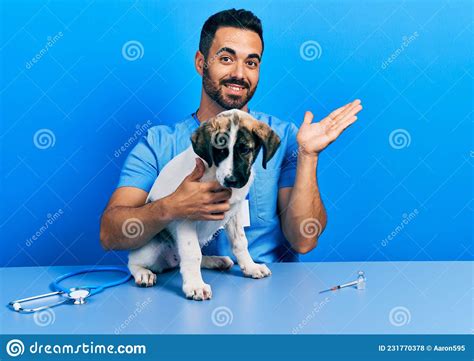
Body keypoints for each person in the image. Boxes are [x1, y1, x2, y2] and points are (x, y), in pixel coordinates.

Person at [100, 8, 362, 263]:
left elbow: (304, 241)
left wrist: (308, 155)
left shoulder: (281, 136)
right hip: (184, 285)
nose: (239, 73)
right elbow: (109, 234)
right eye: (226, 58)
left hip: (268, 289)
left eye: (251, 62)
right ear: (201, 63)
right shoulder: (159, 143)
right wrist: (170, 207)